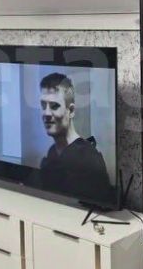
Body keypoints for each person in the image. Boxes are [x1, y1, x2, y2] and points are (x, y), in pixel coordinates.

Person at [38, 72, 112, 201]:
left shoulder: (89, 159)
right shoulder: (53, 152)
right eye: (43, 105)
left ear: (71, 111)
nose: (46, 113)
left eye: (54, 106)